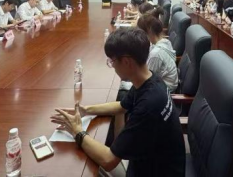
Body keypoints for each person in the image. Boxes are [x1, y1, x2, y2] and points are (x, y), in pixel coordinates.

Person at [50, 28, 185, 176]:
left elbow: (109, 160)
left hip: (153, 172)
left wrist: (77, 131)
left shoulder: (148, 105)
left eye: (112, 61)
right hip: (148, 162)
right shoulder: (151, 79)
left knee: (85, 165)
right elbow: (121, 106)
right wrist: (85, 110)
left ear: (126, 61)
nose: (112, 66)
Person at [137, 14, 178, 92]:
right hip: (163, 84)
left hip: (164, 89)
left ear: (149, 31)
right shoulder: (165, 41)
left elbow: (146, 79)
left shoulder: (156, 53)